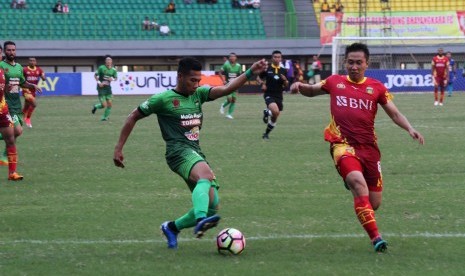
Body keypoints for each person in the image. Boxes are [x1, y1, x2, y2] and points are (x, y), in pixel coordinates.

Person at [113, 57, 268, 249]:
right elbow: (133, 116)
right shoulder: (163, 99)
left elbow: (226, 89)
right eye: (192, 80)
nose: (196, 85)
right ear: (180, 77)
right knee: (206, 177)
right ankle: (201, 219)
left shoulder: (199, 95)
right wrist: (119, 148)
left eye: (198, 81)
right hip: (177, 152)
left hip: (194, 152)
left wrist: (251, 72)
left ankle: (171, 227)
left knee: (212, 206)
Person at [290, 42, 425, 253]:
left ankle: (352, 180)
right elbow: (312, 90)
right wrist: (300, 86)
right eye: (350, 62)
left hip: (369, 149)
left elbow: (395, 113)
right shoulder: (335, 82)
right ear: (345, 63)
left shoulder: (377, 87)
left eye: (358, 63)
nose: (354, 66)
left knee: (374, 203)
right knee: (358, 184)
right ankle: (376, 238)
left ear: (366, 64)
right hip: (342, 145)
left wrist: (410, 128)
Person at [0, 41, 42, 168]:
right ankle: (4, 156)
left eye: (13, 50)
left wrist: (32, 85)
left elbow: (21, 82)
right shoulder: (1, 65)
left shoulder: (18, 67)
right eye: (8, 50)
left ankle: (4, 155)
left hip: (16, 104)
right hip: (5, 104)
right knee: (17, 130)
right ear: (4, 52)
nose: (11, 52)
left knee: (15, 133)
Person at [257, 50, 288, 140]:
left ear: (281, 58)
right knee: (275, 112)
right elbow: (258, 78)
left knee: (275, 117)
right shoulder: (267, 69)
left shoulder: (283, 70)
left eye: (279, 57)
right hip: (269, 94)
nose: (277, 58)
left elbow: (286, 85)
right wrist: (262, 84)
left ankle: (266, 134)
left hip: (279, 96)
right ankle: (268, 112)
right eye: (275, 57)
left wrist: (285, 80)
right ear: (272, 58)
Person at [0, 64, 23, 180]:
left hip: (3, 109)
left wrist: (6, 88)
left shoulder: (1, 71)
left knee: (11, 139)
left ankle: (12, 173)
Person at [91, 56, 117, 121]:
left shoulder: (113, 70)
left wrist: (112, 79)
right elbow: (95, 75)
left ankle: (104, 117)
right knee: (103, 105)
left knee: (110, 104)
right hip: (101, 88)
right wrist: (99, 83)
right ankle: (96, 106)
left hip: (108, 88)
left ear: (111, 62)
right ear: (105, 62)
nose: (108, 62)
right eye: (107, 60)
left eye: (109, 61)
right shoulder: (101, 68)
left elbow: (116, 78)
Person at [22, 57, 46, 128]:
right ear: (28, 62)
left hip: (33, 91)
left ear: (36, 62)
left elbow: (44, 78)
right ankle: (28, 118)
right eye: (31, 61)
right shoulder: (25, 70)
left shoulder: (39, 70)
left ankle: (19, 119)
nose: (32, 62)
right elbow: (21, 80)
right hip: (26, 90)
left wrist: (43, 77)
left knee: (26, 107)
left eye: (33, 61)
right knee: (34, 104)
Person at [219, 53, 242, 119]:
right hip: (228, 85)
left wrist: (239, 83)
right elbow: (220, 73)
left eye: (233, 56)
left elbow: (240, 75)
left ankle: (229, 114)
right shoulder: (226, 65)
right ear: (229, 58)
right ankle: (223, 105)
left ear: (236, 58)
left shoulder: (238, 66)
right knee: (229, 99)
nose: (232, 58)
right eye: (230, 56)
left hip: (235, 85)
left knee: (233, 100)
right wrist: (223, 80)